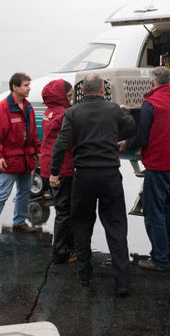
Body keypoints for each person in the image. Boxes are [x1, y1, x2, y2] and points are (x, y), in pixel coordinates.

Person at [49, 74, 135, 296]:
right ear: (102, 90)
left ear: (82, 91)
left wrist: (54, 172)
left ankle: (84, 276)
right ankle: (122, 282)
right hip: (110, 175)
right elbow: (130, 128)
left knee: (82, 226)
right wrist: (123, 112)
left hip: (84, 176)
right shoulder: (114, 109)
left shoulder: (73, 112)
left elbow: (61, 144)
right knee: (116, 228)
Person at [119, 66, 170, 271]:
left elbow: (142, 137)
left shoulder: (151, 103)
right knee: (169, 210)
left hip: (160, 167)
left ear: (152, 82)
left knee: (153, 213)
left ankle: (160, 259)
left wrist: (126, 144)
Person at [0, 72, 41, 242]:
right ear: (15, 87)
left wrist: (38, 151)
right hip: (9, 160)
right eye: (26, 85)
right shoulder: (3, 107)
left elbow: (33, 133)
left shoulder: (28, 107)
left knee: (24, 192)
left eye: (29, 85)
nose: (29, 88)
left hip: (26, 159)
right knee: (2, 194)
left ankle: (19, 222)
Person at [39, 79, 76, 264]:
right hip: (62, 167)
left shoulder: (49, 111)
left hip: (47, 164)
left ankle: (65, 247)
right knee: (64, 211)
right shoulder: (64, 114)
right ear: (61, 95)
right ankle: (60, 252)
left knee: (62, 209)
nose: (71, 99)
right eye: (69, 95)